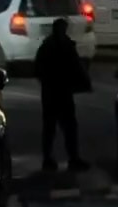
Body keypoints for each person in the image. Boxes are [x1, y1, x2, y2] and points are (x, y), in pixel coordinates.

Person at [34, 18, 91, 173]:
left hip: (52, 92)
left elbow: (38, 69)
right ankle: (70, 158)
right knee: (65, 126)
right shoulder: (63, 46)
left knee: (53, 127)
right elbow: (75, 66)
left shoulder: (48, 46)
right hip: (61, 92)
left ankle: (52, 159)